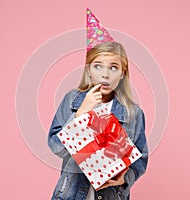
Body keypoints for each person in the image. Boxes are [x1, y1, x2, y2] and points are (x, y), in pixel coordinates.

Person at [48, 8, 148, 200]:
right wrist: (80, 115)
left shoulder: (133, 113)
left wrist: (123, 178)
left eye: (113, 67)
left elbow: (140, 160)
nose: (105, 74)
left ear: (122, 73)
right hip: (71, 194)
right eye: (98, 66)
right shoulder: (72, 101)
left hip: (113, 195)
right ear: (89, 70)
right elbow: (55, 147)